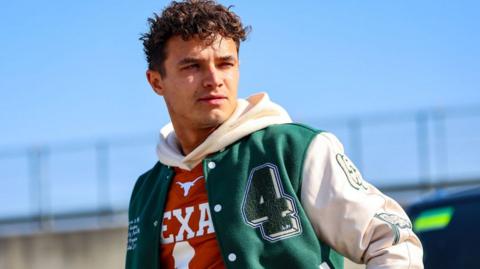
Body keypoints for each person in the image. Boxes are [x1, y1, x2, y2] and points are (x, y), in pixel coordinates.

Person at [125, 1, 424, 268]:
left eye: (225, 63)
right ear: (156, 82)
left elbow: (392, 240)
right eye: (193, 66)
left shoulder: (295, 149)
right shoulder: (146, 191)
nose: (214, 80)